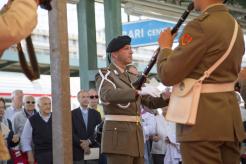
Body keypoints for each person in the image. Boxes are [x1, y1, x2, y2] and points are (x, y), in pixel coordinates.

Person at [157, 0, 245, 163]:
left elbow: (168, 74)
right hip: (229, 120)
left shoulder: (199, 26)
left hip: (201, 122)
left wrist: (165, 48)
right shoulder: (235, 27)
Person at [95, 35, 169, 164]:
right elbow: (107, 95)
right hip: (118, 137)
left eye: (131, 48)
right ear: (114, 54)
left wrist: (166, 97)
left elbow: (150, 102)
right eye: (126, 48)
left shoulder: (132, 77)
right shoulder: (106, 74)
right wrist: (137, 91)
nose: (131, 51)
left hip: (136, 136)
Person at [72, 90, 102, 164]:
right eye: (83, 97)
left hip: (92, 149)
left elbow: (98, 131)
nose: (86, 99)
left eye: (88, 97)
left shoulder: (96, 114)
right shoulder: (72, 114)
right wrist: (83, 144)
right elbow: (71, 132)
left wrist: (89, 142)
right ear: (78, 99)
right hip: (77, 150)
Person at [21, 97, 52, 164]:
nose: (48, 106)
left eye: (50, 104)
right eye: (45, 104)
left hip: (57, 153)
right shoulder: (32, 120)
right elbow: (25, 139)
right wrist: (29, 154)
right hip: (41, 155)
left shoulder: (56, 117)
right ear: (38, 106)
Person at [0, 97, 19, 163]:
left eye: (2, 107)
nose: (1, 110)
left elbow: (10, 143)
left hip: (7, 159)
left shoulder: (7, 122)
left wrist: (16, 140)